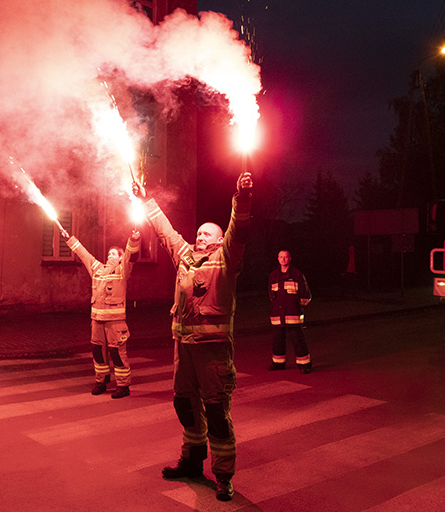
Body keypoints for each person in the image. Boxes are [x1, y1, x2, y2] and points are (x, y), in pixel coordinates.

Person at [132, 171, 253, 502]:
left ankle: (224, 475)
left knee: (216, 413)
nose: (200, 236)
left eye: (207, 234)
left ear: (217, 241)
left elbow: (238, 232)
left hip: (213, 354)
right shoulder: (184, 256)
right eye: (198, 232)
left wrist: (241, 198)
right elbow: (165, 231)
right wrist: (145, 199)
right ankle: (192, 460)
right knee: (184, 404)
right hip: (183, 351)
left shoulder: (225, 261)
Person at [60, 226, 141, 399]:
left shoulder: (122, 271)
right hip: (96, 321)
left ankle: (123, 386)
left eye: (114, 254)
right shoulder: (97, 270)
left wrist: (133, 240)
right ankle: (101, 381)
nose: (109, 255)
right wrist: (69, 239)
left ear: (120, 258)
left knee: (117, 354)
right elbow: (84, 255)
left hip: (115, 323)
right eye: (109, 253)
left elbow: (131, 256)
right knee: (97, 352)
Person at [268, 250, 312, 373]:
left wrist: (298, 306)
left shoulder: (297, 274)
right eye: (281, 257)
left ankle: (305, 365)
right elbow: (271, 295)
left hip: (293, 315)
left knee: (298, 341)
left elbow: (305, 294)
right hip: (277, 315)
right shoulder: (273, 275)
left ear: (290, 259)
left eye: (286, 257)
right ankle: (278, 363)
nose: (283, 259)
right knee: (277, 341)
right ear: (278, 259)